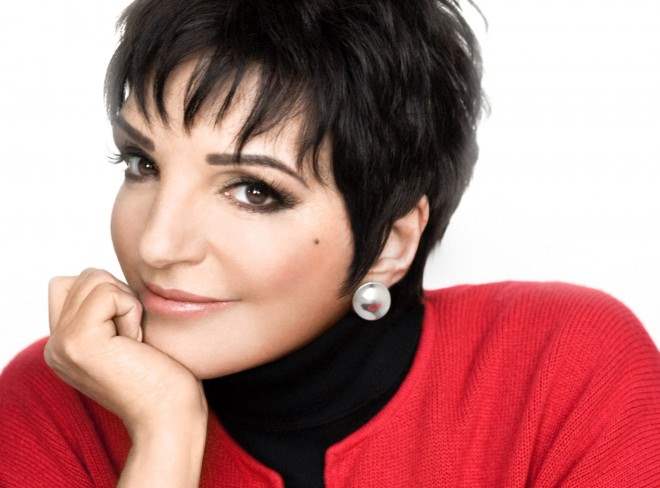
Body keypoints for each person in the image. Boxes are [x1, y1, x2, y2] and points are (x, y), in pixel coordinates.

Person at [1, 1, 659, 487]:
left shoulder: (564, 369)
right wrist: (163, 436)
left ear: (390, 243)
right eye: (143, 164)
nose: (157, 243)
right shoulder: (53, 402)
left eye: (253, 191)